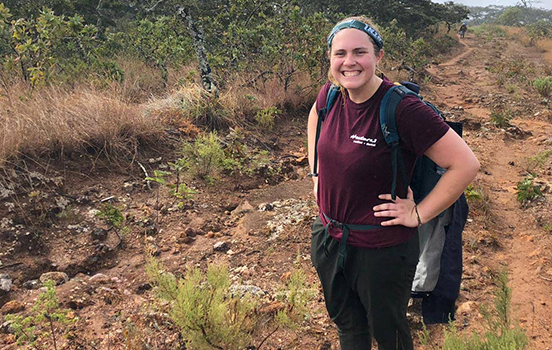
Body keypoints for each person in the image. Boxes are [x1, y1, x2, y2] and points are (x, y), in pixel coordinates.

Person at [307, 16, 479, 350]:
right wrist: (316, 174)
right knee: (348, 325)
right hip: (329, 238)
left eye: (360, 51)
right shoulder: (330, 95)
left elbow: (465, 164)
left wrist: (417, 215)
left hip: (381, 250)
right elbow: (315, 117)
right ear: (330, 58)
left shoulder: (402, 109)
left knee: (389, 334)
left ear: (378, 56)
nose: (349, 62)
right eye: (340, 53)